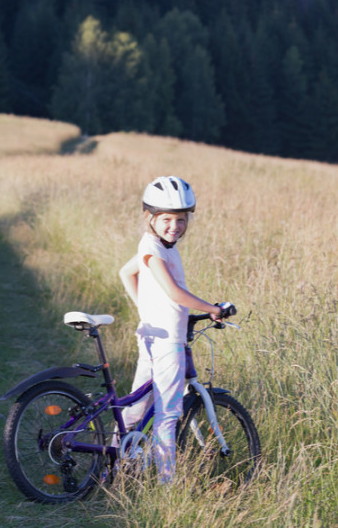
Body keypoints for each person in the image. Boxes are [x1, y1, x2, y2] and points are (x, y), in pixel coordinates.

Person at [118, 175, 234, 484]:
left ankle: (114, 468)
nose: (175, 226)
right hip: (167, 341)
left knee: (134, 408)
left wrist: (145, 309)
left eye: (181, 219)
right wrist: (212, 308)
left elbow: (126, 272)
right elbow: (173, 292)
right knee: (167, 415)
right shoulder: (154, 250)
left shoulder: (157, 245)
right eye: (167, 219)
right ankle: (167, 487)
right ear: (150, 218)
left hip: (152, 335)